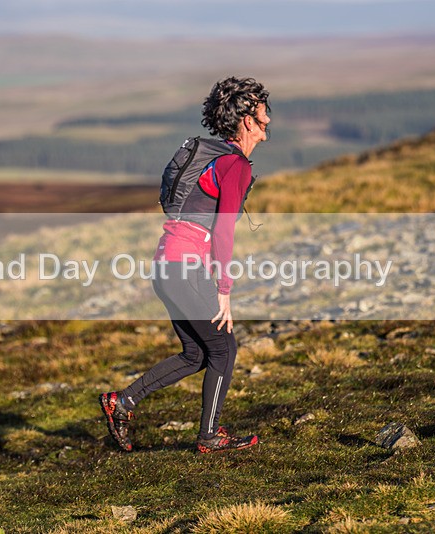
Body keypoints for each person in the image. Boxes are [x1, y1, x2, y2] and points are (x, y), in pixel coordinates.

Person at [100, 76, 270, 453]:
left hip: (167, 266)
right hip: (183, 268)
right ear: (247, 120)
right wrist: (224, 288)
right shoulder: (235, 165)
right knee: (223, 350)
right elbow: (223, 230)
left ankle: (122, 402)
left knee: (196, 354)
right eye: (263, 112)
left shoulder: (219, 159)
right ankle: (209, 436)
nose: (268, 120)